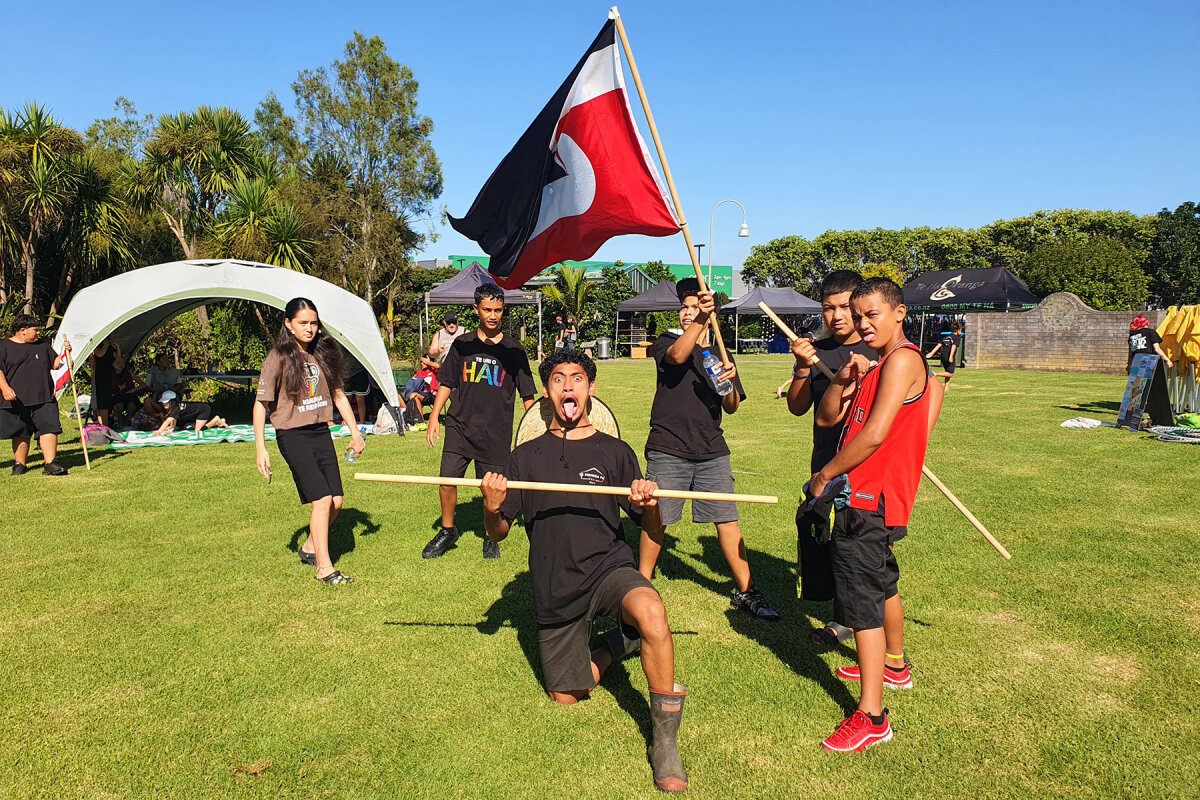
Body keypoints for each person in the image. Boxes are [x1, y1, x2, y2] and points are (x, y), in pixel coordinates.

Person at [480, 350, 689, 793]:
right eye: (558, 379)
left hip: (608, 570)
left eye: (578, 378)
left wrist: (651, 506)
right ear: (546, 392)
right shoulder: (524, 458)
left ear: (591, 389)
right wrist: (491, 506)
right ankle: (618, 641)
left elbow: (649, 527)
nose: (569, 386)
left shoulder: (615, 452)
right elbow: (497, 534)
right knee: (566, 696)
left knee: (651, 610)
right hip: (555, 587)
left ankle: (665, 742)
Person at [812, 278, 936, 752]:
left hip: (868, 499)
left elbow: (876, 434)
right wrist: (848, 380)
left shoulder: (903, 360)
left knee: (862, 605)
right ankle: (895, 665)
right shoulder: (879, 365)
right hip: (868, 500)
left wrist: (826, 475)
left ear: (900, 313)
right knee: (883, 585)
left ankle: (872, 715)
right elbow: (827, 419)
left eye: (872, 315)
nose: (863, 325)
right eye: (858, 316)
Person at [638, 278, 780, 621]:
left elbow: (730, 406)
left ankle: (747, 591)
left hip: (712, 450)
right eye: (684, 309)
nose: (688, 314)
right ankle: (639, 586)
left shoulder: (718, 354)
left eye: (694, 308)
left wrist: (730, 380)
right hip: (668, 446)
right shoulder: (666, 341)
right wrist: (702, 317)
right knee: (657, 519)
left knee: (727, 520)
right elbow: (677, 356)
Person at [786, 271, 877, 646]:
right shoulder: (816, 352)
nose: (837, 316)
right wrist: (802, 367)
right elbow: (797, 407)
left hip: (867, 466)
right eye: (828, 308)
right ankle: (843, 615)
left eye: (844, 307)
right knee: (825, 538)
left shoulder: (878, 352)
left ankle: (855, 623)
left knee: (861, 544)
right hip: (825, 460)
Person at [254, 297, 366, 585]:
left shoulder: (324, 353)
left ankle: (308, 548)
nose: (309, 328)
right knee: (322, 499)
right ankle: (325, 568)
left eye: (313, 323)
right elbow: (260, 404)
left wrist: (356, 434)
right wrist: (260, 448)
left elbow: (339, 396)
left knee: (337, 502)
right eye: (303, 323)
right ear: (288, 324)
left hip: (319, 432)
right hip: (292, 435)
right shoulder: (277, 357)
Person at [423, 283, 537, 560]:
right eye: (487, 309)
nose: (493, 315)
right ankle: (448, 530)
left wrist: (535, 430)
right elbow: (447, 382)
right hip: (460, 426)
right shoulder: (462, 345)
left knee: (492, 488)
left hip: (495, 433)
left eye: (498, 310)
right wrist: (435, 416)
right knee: (447, 480)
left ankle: (490, 536)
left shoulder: (514, 349)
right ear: (476, 310)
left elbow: (528, 394)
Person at [0, 314, 72, 476]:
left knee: (49, 427)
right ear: (22, 330)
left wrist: (65, 353)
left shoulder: (43, 346)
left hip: (44, 396)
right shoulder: (4, 347)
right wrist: (4, 388)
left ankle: (51, 463)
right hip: (17, 399)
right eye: (36, 330)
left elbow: (55, 364)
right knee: (20, 431)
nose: (38, 333)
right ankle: (20, 464)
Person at [151, 390, 227, 436]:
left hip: (203, 410)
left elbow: (169, 420)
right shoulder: (174, 408)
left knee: (197, 432)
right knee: (190, 428)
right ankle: (220, 421)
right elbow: (173, 418)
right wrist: (172, 428)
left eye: (166, 402)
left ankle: (215, 421)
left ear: (172, 401)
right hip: (197, 413)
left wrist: (159, 431)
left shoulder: (176, 407)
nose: (164, 404)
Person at [109, 355, 148, 427]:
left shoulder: (129, 373)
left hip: (129, 394)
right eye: (118, 362)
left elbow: (143, 384)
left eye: (123, 363)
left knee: (132, 402)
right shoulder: (109, 375)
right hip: (116, 395)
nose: (121, 365)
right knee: (118, 402)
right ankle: (120, 420)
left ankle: (127, 420)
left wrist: (133, 390)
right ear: (113, 364)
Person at [89, 336, 120, 427]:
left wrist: (117, 347)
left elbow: (118, 358)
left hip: (108, 375)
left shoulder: (111, 347)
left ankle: (105, 425)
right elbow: (99, 354)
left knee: (106, 401)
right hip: (99, 375)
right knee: (101, 402)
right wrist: (106, 345)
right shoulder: (97, 344)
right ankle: (102, 425)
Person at [926, 320, 963, 388]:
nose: (961, 331)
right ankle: (935, 374)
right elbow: (953, 347)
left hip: (943, 356)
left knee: (947, 372)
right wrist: (951, 357)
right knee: (950, 374)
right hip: (949, 356)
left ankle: (946, 388)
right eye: (961, 330)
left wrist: (931, 353)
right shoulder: (957, 338)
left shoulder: (946, 336)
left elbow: (939, 345)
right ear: (958, 330)